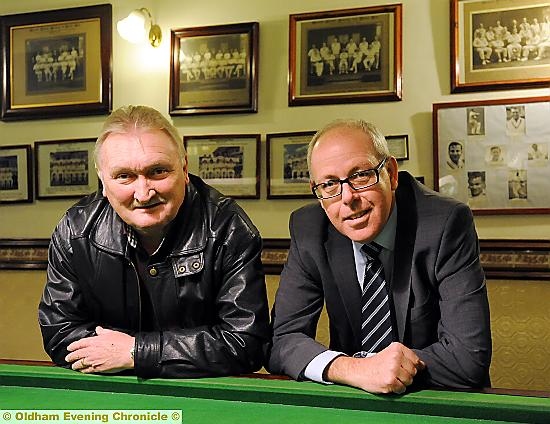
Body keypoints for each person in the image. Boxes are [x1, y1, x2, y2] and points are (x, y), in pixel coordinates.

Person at [38, 105, 270, 378]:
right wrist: (126, 355)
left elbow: (246, 343)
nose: (143, 193)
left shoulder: (229, 229)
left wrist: (136, 352)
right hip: (108, 390)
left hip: (202, 398)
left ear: (184, 169)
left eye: (158, 171)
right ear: (103, 181)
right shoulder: (74, 231)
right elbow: (59, 331)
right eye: (124, 176)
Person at [268, 119, 492, 394]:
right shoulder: (309, 229)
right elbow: (281, 340)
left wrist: (381, 369)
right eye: (329, 184)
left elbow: (468, 359)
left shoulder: (445, 223)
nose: (347, 197)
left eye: (360, 175)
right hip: (355, 402)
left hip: (438, 401)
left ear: (391, 173)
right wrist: (354, 369)